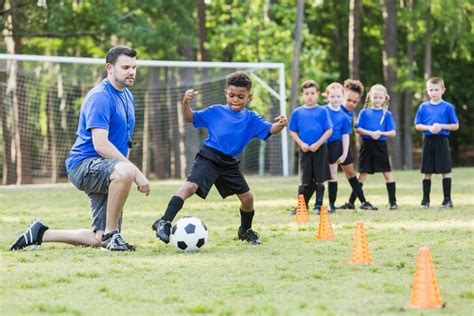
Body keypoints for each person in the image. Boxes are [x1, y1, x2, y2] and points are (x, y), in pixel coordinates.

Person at [10, 45, 150, 252]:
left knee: (97, 239)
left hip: (108, 170)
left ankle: (40, 233)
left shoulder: (127, 96)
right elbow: (100, 145)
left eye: (134, 67)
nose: (131, 72)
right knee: (126, 170)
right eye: (125, 67)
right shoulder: (100, 97)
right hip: (83, 166)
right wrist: (135, 173)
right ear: (109, 68)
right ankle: (113, 234)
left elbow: (121, 142)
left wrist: (124, 173)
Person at [151, 71, 287, 245]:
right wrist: (186, 102)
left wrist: (280, 125)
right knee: (190, 187)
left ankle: (245, 230)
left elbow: (270, 129)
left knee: (248, 199)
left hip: (229, 163)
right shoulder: (215, 111)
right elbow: (188, 117)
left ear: (249, 97)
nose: (235, 99)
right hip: (209, 157)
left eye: (240, 96)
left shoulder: (252, 119)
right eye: (231, 95)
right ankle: (164, 221)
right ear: (226, 93)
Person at [288, 80, 333, 215]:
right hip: (305, 149)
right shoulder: (297, 112)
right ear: (302, 94)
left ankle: (318, 206)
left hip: (320, 149)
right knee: (304, 180)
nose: (310, 96)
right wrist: (301, 144)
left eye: (312, 93)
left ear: (318, 94)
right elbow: (292, 130)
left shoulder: (323, 111)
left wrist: (318, 144)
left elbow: (329, 130)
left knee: (320, 179)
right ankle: (302, 206)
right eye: (306, 93)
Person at [414, 77, 459, 208]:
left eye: (436, 89)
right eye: (431, 90)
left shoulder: (448, 107)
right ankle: (425, 200)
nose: (434, 92)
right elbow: (417, 125)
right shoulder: (423, 107)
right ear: (427, 91)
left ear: (443, 90)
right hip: (428, 140)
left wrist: (441, 126)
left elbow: (455, 125)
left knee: (446, 170)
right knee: (427, 171)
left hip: (442, 140)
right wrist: (429, 128)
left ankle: (447, 199)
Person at [354, 84, 398, 209]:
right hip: (366, 145)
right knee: (362, 174)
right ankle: (352, 201)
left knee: (387, 173)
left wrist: (381, 133)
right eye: (375, 97)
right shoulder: (364, 112)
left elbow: (393, 132)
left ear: (385, 99)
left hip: (380, 146)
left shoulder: (387, 114)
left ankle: (393, 202)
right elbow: (358, 129)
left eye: (380, 97)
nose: (377, 100)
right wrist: (370, 133)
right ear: (370, 97)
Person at [337, 79, 378, 210]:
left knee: (351, 174)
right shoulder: (333, 109)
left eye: (355, 102)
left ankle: (362, 202)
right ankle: (305, 204)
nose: (351, 104)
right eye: (348, 100)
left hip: (343, 146)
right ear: (343, 94)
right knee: (319, 176)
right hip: (328, 146)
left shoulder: (350, 113)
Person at [322, 82, 352, 213]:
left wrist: (344, 153)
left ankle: (331, 205)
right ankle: (309, 204)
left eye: (338, 96)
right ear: (327, 97)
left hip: (334, 146)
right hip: (320, 145)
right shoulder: (322, 111)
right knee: (315, 176)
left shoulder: (344, 117)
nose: (335, 99)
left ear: (343, 97)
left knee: (332, 175)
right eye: (332, 96)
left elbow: (345, 136)